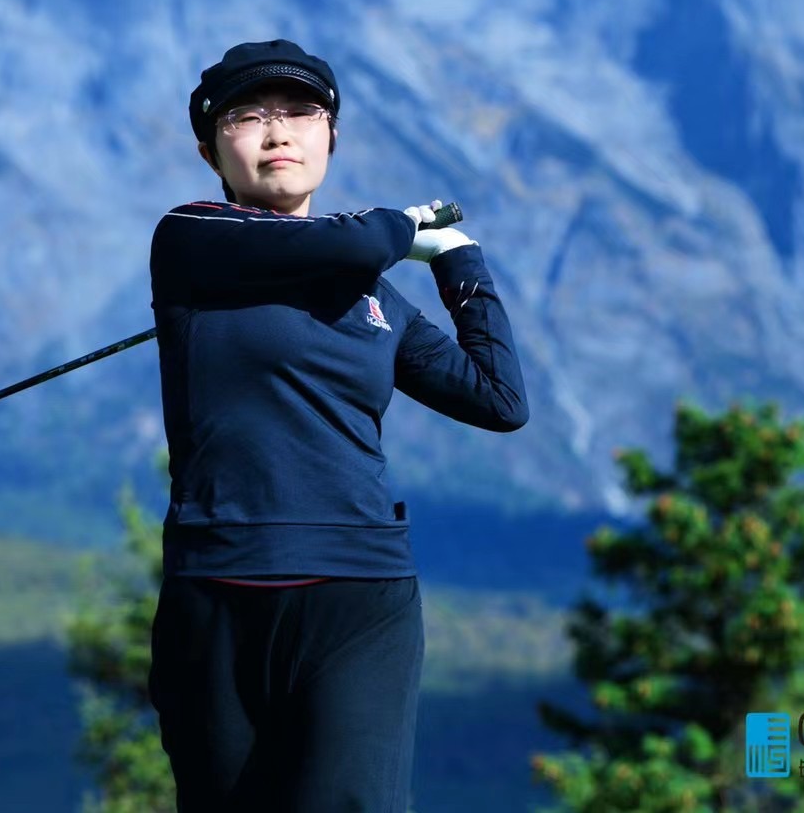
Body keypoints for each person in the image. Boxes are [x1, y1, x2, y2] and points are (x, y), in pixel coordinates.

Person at [147, 39, 530, 811]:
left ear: (330, 137)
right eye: (248, 116)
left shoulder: (375, 296)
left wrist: (461, 262)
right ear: (209, 146)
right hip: (215, 592)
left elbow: (499, 400)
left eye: (299, 113)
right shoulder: (192, 237)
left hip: (358, 598)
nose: (277, 131)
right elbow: (354, 238)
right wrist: (403, 225)